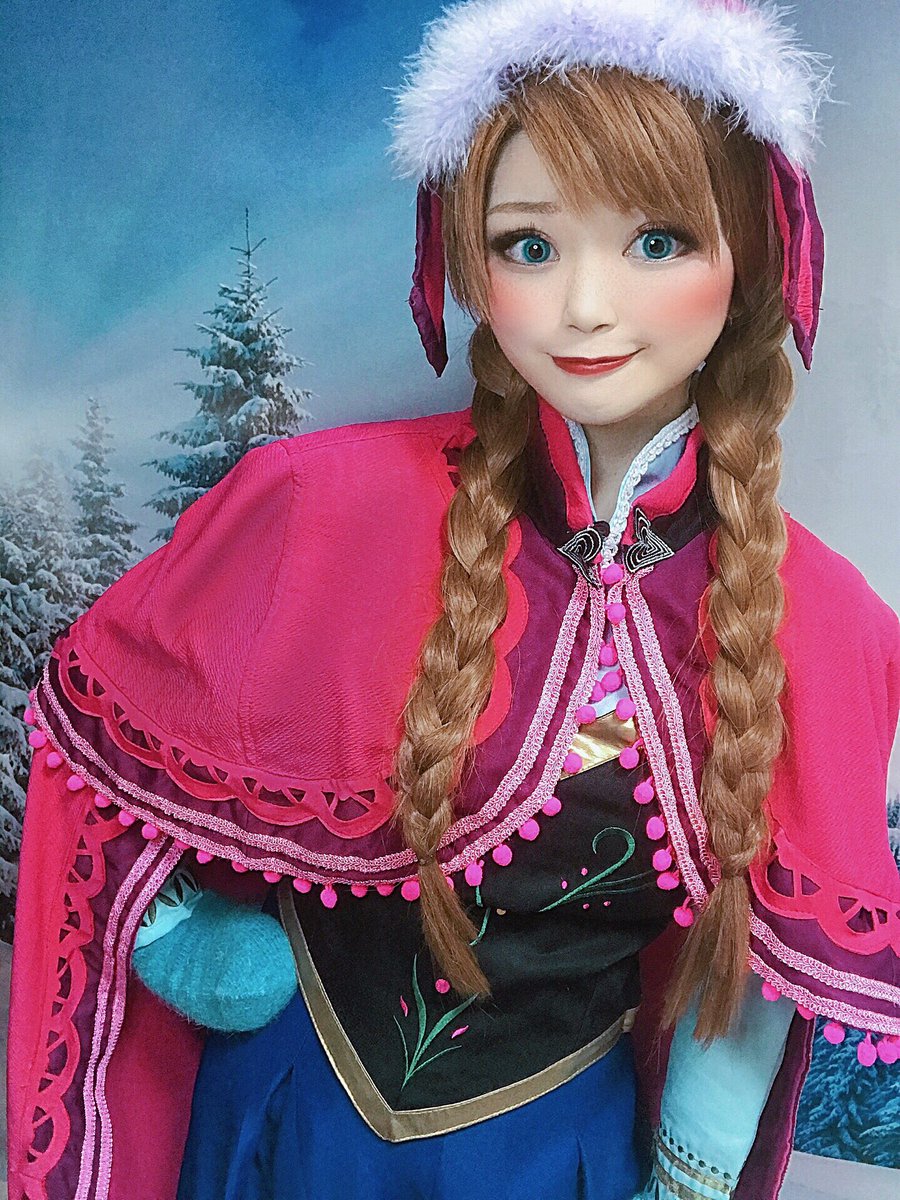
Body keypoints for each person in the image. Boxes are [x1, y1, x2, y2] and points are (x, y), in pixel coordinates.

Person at [7, 2, 900, 1199]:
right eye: (531, 245)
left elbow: (751, 966)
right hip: (286, 1110)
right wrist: (182, 935)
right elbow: (92, 737)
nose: (586, 306)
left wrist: (692, 1170)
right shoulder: (315, 510)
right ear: (468, 261)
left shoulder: (823, 625)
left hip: (546, 1153)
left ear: (753, 258)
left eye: (657, 241)